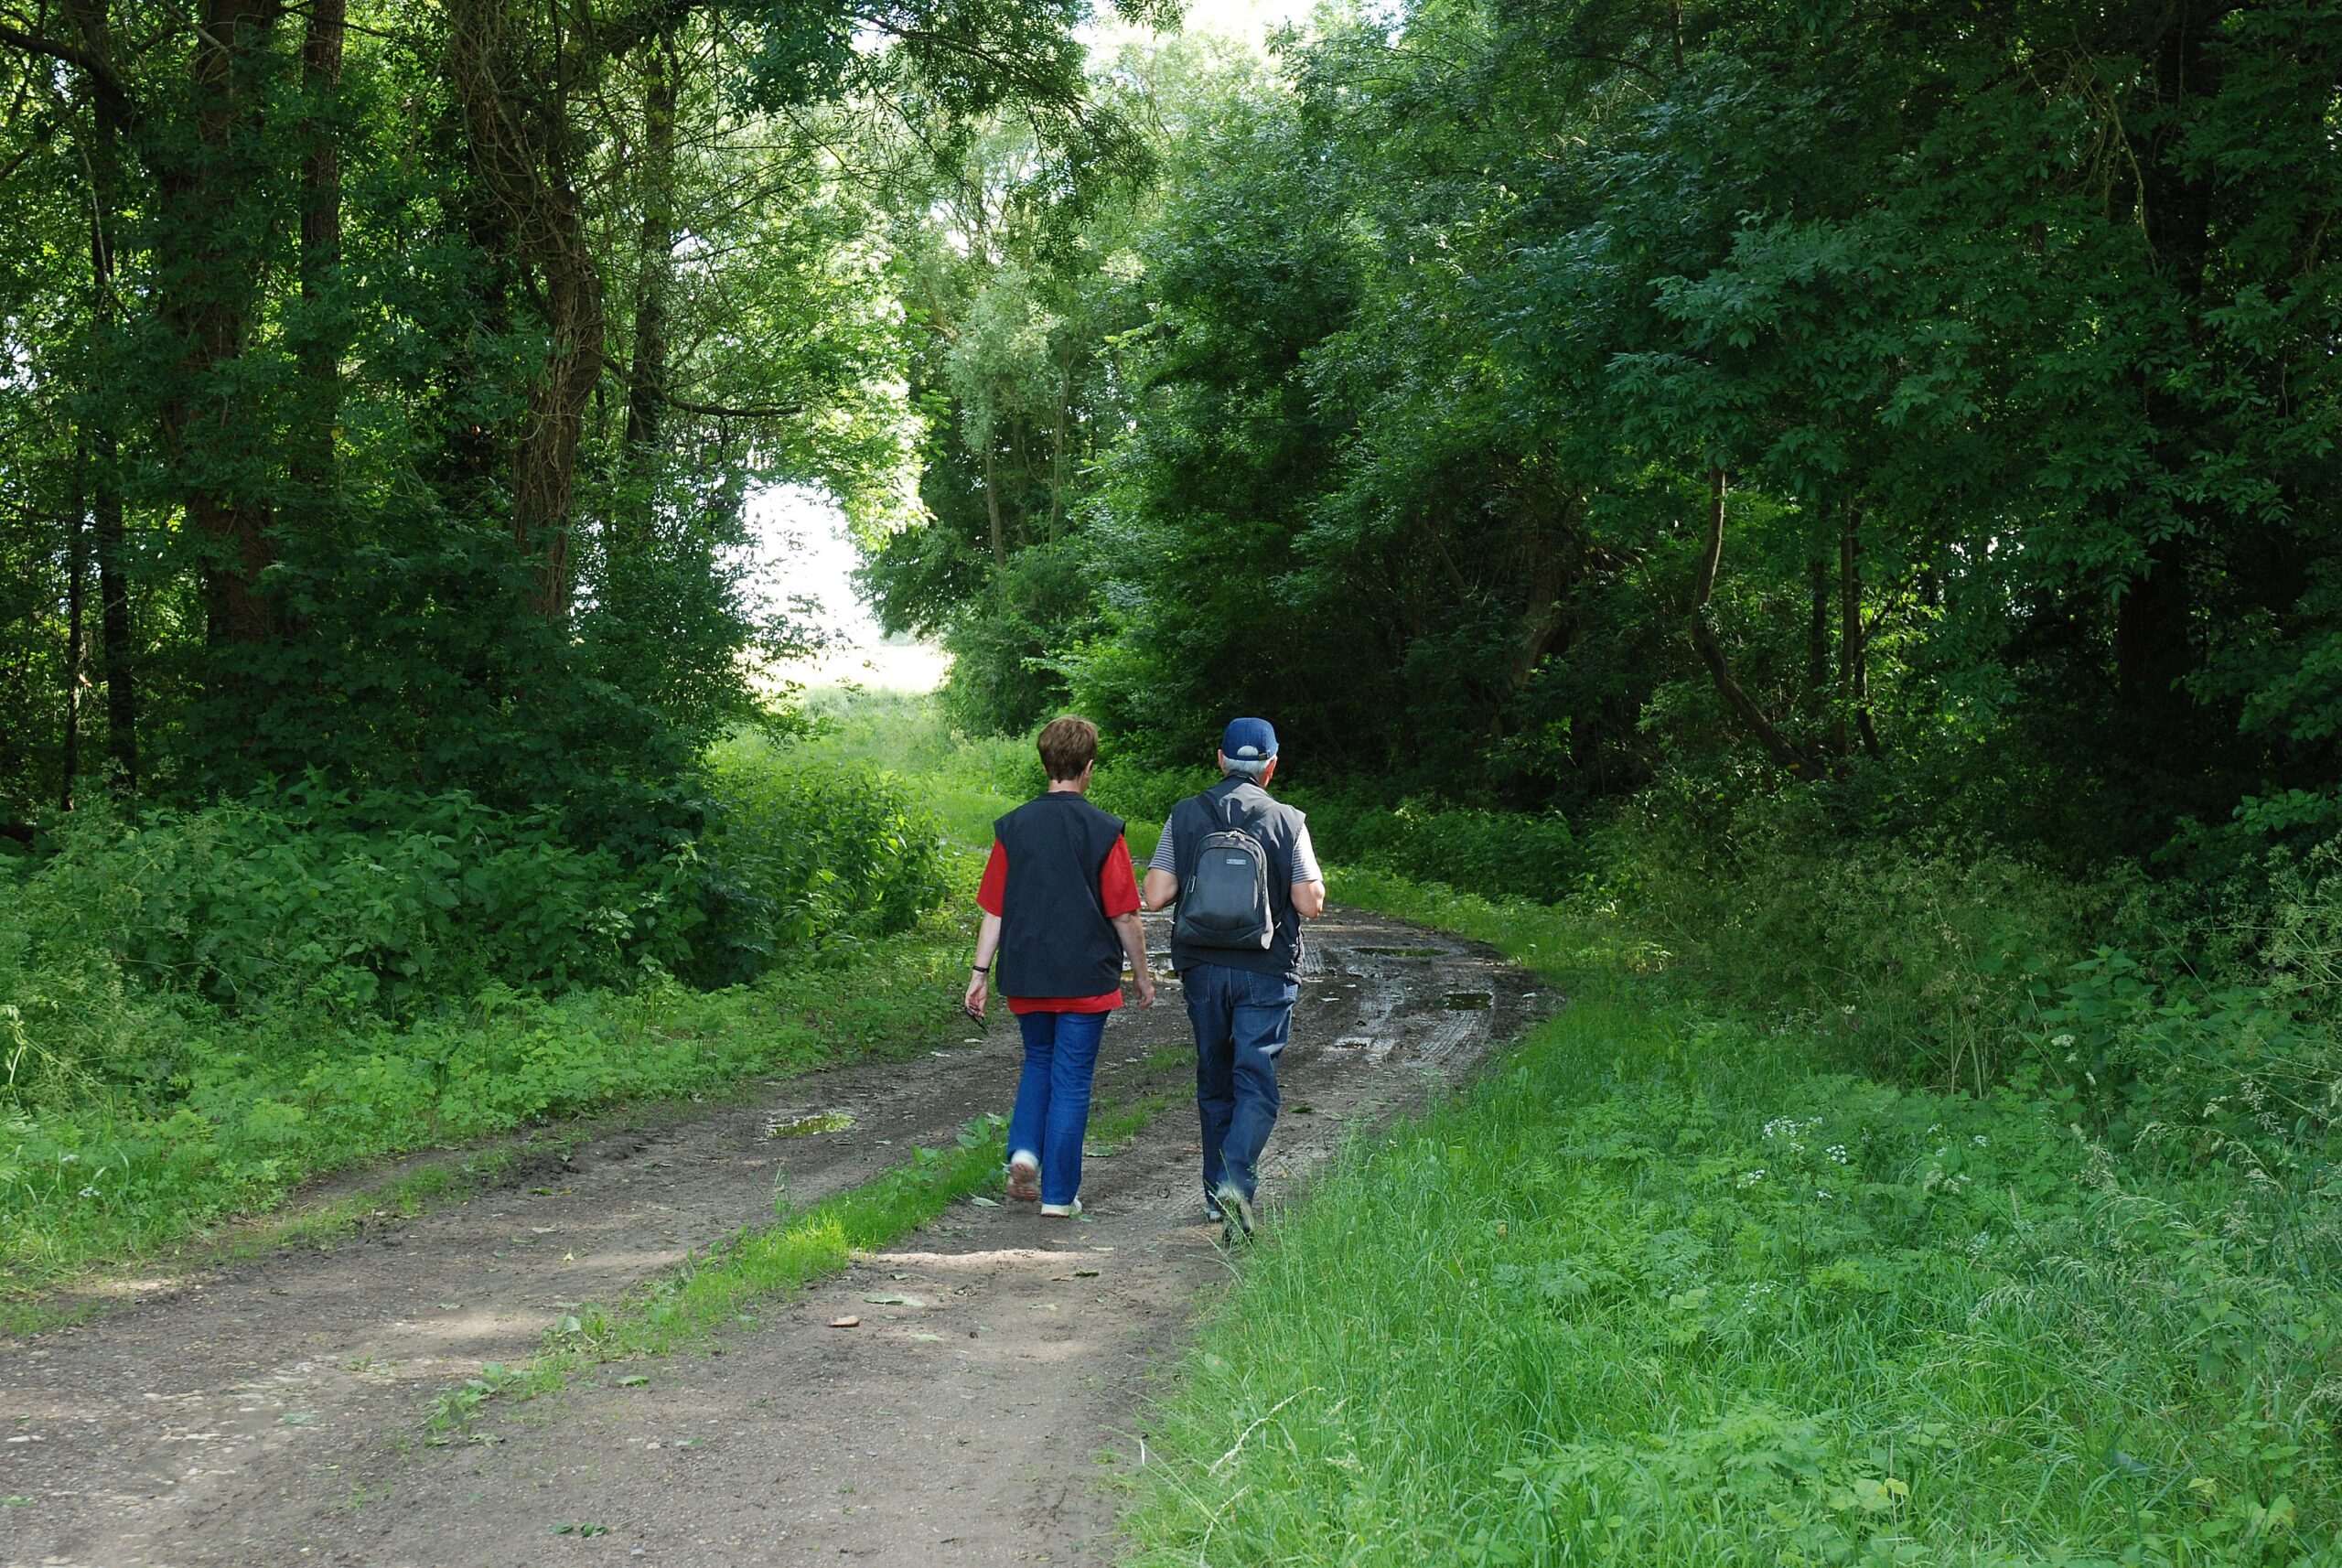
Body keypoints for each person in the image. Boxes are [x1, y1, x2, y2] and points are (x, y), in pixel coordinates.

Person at [1140, 716, 1325, 1243]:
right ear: (1270, 766)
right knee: (1256, 1084)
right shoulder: (1289, 820)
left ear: (1220, 760)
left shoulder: (1186, 813)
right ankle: (1235, 1182)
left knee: (1214, 1079)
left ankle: (1214, 1200)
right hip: (1266, 970)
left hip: (1202, 968)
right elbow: (1309, 903)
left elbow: (1155, 894)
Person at [965, 715, 1155, 1217]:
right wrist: (1142, 972)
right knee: (1071, 1079)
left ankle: (1025, 1152)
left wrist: (979, 973)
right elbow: (1125, 912)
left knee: (1039, 1062)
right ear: (1089, 768)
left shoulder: (1014, 827)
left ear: (1044, 763)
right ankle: (1057, 1196)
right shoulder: (1104, 830)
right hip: (1085, 978)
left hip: (1027, 974)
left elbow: (995, 908)